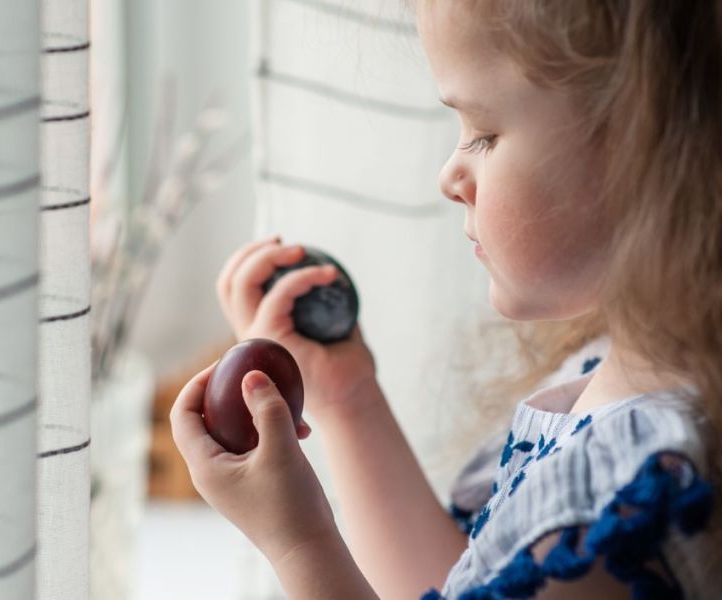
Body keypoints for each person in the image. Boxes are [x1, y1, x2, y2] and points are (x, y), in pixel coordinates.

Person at [170, 0, 722, 597]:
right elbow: (459, 583)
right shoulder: (629, 382)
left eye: (484, 134)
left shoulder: (623, 511)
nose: (448, 176)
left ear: (650, 151)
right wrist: (347, 397)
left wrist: (296, 541)